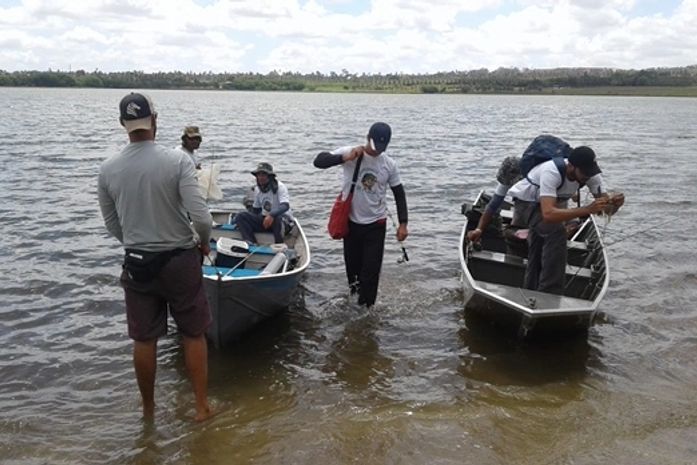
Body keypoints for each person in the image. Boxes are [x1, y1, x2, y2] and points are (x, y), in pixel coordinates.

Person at [98, 92, 214, 422]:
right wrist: (204, 244)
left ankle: (148, 411)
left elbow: (112, 223)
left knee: (144, 339)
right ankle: (201, 407)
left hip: (137, 263)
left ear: (122, 124)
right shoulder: (177, 161)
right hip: (179, 259)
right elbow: (201, 217)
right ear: (155, 120)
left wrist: (136, 242)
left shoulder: (108, 169)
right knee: (193, 333)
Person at [506, 145, 625, 294]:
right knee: (556, 231)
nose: (587, 176)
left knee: (538, 247)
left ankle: (531, 289)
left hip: (551, 203)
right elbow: (548, 214)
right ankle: (550, 292)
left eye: (590, 172)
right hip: (527, 203)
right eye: (584, 172)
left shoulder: (591, 176)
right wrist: (587, 209)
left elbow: (605, 211)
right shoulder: (551, 171)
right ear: (571, 166)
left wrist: (615, 205)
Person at [313, 122, 408, 307]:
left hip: (376, 224)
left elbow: (399, 193)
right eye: (374, 146)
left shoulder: (389, 164)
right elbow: (318, 161)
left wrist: (403, 223)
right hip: (351, 224)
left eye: (381, 147)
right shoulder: (351, 153)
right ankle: (355, 308)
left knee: (371, 273)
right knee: (353, 272)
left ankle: (368, 310)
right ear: (367, 138)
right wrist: (344, 157)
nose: (377, 151)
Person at [466, 156, 524, 248]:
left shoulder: (535, 180)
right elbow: (492, 206)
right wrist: (479, 229)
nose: (509, 186)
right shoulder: (506, 179)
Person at [234, 162, 294, 244]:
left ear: (270, 176)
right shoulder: (257, 189)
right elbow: (256, 210)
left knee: (277, 219)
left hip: (282, 221)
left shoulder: (280, 187)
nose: (260, 178)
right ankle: (251, 243)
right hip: (266, 221)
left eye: (263, 175)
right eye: (258, 175)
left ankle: (279, 245)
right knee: (241, 216)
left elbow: (285, 206)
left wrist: (271, 215)